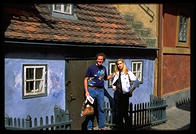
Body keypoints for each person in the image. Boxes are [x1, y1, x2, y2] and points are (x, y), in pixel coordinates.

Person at [83, 53, 114, 130]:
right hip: (91, 90)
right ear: (96, 59)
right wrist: (86, 91)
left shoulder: (104, 68)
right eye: (99, 59)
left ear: (103, 60)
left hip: (100, 90)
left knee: (101, 108)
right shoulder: (91, 68)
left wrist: (113, 74)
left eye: (102, 59)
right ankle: (89, 127)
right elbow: (85, 79)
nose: (100, 60)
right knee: (90, 109)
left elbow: (106, 78)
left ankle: (102, 127)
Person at [112, 59, 140, 129]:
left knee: (124, 112)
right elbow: (113, 83)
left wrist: (131, 91)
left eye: (120, 63)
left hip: (124, 95)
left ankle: (128, 127)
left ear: (123, 63)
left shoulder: (128, 72)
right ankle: (120, 127)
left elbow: (136, 81)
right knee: (118, 112)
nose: (119, 65)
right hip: (117, 95)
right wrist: (114, 87)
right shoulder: (117, 73)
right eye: (118, 64)